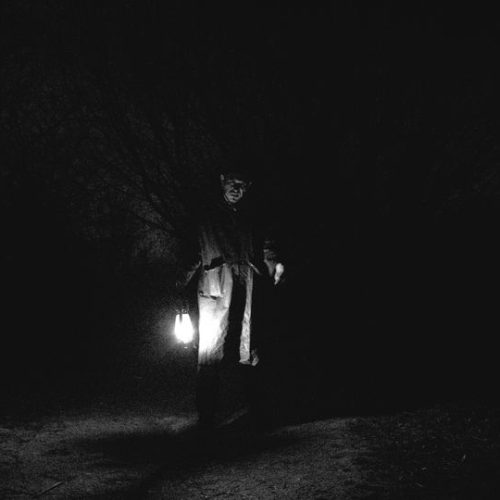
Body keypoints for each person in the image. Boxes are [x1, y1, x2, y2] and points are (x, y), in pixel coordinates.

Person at [177, 168, 285, 429]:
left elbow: (267, 246)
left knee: (251, 350)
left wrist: (275, 264)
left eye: (243, 185)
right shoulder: (206, 216)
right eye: (233, 183)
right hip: (215, 290)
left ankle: (257, 413)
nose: (237, 189)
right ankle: (207, 417)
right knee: (210, 354)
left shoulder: (253, 216)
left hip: (248, 288)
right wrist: (178, 282)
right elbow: (192, 251)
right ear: (222, 182)